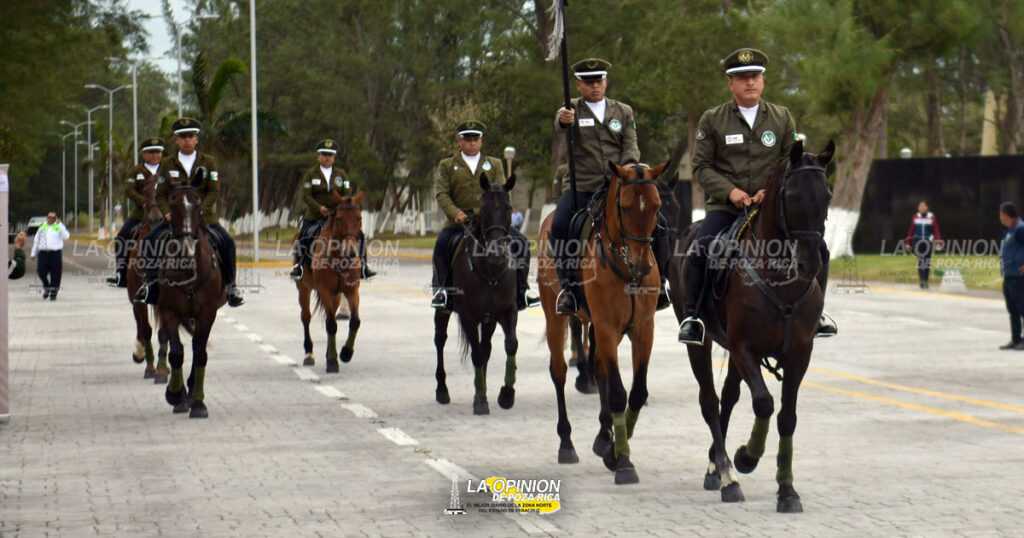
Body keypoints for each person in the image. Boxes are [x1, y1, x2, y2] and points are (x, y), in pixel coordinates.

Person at [678, 48, 837, 345]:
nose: (750, 82)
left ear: (762, 81)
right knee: (700, 249)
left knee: (820, 250)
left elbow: (790, 162)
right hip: (725, 208)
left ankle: (818, 315)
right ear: (731, 84)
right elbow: (701, 166)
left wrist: (770, 190)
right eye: (742, 78)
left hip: (771, 208)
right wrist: (731, 191)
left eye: (755, 76)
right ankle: (693, 317)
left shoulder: (781, 117)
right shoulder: (713, 120)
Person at [551, 58, 670, 314]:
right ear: (578, 85)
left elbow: (631, 144)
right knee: (560, 224)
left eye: (599, 81)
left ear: (606, 82)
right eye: (589, 82)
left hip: (621, 184)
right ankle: (569, 289)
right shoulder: (571, 108)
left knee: (660, 223)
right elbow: (559, 124)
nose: (595, 86)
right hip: (583, 186)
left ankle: (660, 285)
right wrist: (563, 120)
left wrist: (627, 168)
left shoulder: (623, 111)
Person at [134, 117, 243, 307]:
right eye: (183, 136)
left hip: (204, 218)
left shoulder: (208, 162)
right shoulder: (168, 163)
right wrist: (167, 213)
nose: (187, 140)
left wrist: (202, 209)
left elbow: (214, 190)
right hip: (175, 219)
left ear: (196, 139)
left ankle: (231, 287)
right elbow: (160, 194)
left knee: (228, 243)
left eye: (190, 136)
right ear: (176, 140)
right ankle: (150, 285)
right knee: (149, 241)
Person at [431, 120, 539, 311]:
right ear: (460, 141)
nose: (472, 143)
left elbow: (500, 191)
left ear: (481, 141)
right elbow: (441, 193)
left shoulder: (495, 163)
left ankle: (523, 290)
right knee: (441, 246)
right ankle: (443, 292)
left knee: (521, 243)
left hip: (491, 223)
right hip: (460, 222)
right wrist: (455, 213)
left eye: (476, 139)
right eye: (468, 139)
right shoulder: (447, 164)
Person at [289, 139, 375, 281]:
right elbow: (306, 196)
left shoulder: (342, 175)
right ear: (319, 156)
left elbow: (347, 194)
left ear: (334, 157)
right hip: (315, 216)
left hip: (338, 215)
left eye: (330, 155)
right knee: (304, 235)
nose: (327, 157)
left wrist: (340, 209)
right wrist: (319, 208)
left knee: (359, 235)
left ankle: (364, 267)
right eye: (324, 154)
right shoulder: (311, 174)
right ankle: (299, 266)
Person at [106, 137, 166, 287]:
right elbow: (129, 190)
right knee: (121, 237)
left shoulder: (167, 170)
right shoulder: (135, 171)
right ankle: (121, 272)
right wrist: (143, 202)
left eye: (158, 152)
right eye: (151, 152)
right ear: (143, 154)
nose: (155, 155)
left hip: (165, 213)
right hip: (141, 214)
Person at [999, 202, 1024, 350]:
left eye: (1000, 213)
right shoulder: (1009, 230)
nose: (1000, 217)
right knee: (1012, 309)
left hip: (1018, 276)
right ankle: (1016, 338)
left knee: (1022, 308)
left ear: (1005, 215)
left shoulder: (1020, 229)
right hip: (1009, 275)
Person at [30, 212, 69, 300]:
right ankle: (47, 286)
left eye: (53, 217)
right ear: (46, 218)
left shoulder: (58, 227)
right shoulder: (42, 227)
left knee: (56, 274)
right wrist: (33, 253)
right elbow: (37, 241)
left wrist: (60, 225)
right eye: (49, 217)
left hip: (55, 254)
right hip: (43, 253)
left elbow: (66, 236)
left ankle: (53, 293)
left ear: (55, 218)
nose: (51, 219)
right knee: (41, 272)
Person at [905, 200, 942, 289]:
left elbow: (936, 230)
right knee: (920, 261)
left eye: (924, 206)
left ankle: (926, 280)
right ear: (918, 208)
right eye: (920, 206)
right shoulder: (915, 217)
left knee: (927, 261)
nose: (922, 208)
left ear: (927, 208)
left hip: (928, 242)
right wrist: (908, 243)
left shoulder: (931, 217)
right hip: (917, 242)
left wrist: (938, 242)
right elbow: (911, 230)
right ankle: (922, 280)